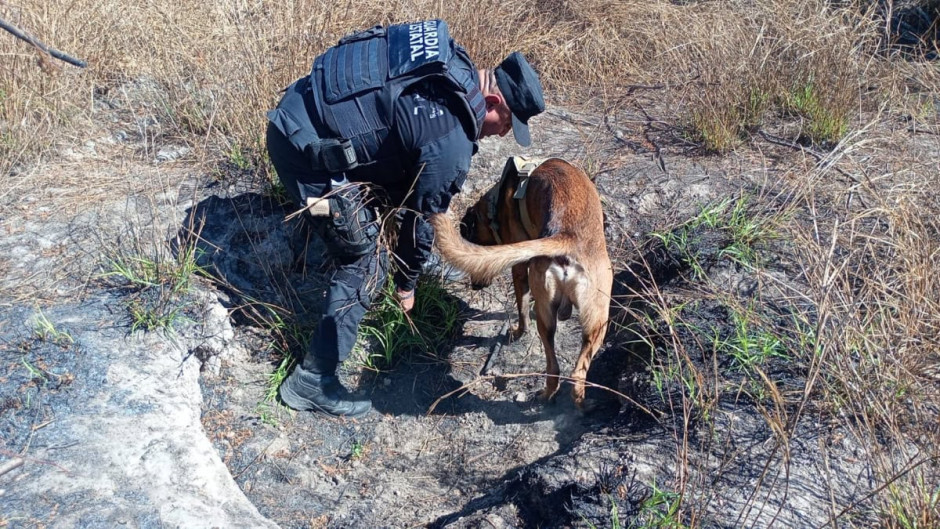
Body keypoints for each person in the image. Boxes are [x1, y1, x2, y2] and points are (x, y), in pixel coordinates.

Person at [266, 19, 545, 417]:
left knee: (403, 184)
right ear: (495, 103)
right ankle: (312, 380)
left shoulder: (451, 60)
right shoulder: (450, 140)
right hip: (304, 152)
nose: (502, 135)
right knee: (367, 261)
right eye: (507, 125)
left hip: (300, 107)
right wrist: (407, 284)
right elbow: (422, 216)